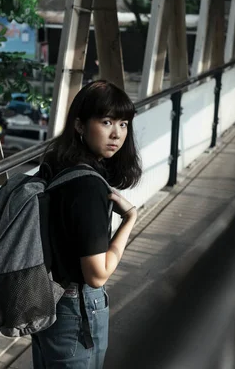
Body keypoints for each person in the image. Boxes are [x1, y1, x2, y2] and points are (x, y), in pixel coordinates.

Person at [32, 80, 142, 368]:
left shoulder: (55, 163)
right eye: (106, 122)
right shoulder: (88, 187)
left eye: (123, 124)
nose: (117, 134)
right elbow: (97, 274)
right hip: (75, 310)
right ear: (80, 126)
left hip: (48, 297)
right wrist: (129, 220)